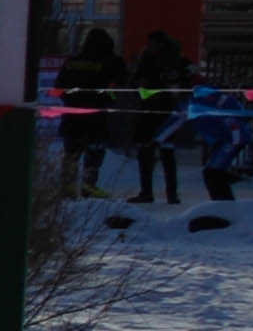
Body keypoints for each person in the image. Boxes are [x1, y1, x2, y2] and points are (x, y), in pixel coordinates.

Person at [64, 22, 130, 198]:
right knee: (94, 152)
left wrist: (71, 100)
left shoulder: (73, 62)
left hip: (72, 115)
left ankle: (68, 187)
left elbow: (59, 87)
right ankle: (88, 186)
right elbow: (121, 85)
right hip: (97, 115)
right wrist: (110, 100)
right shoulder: (112, 62)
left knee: (72, 152)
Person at [132, 27, 193, 205]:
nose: (148, 46)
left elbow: (179, 87)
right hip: (147, 111)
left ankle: (171, 194)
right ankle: (147, 192)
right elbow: (135, 81)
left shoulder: (175, 62)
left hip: (165, 113)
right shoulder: (146, 60)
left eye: (151, 44)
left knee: (166, 152)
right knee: (145, 152)